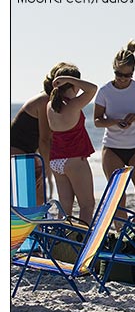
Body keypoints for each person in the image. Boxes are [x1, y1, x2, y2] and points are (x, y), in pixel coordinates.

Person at [94, 40, 135, 210]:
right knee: (118, 197)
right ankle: (120, 232)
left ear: (133, 72)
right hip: (112, 148)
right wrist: (113, 121)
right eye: (118, 74)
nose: (122, 79)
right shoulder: (105, 91)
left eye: (127, 75)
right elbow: (97, 121)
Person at [10, 62, 77, 203]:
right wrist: (48, 168)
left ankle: (36, 224)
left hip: (27, 152)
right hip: (16, 151)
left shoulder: (51, 101)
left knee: (37, 196)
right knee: (28, 197)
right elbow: (45, 140)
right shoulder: (44, 101)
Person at [46, 73, 98, 223]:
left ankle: (62, 242)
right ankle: (82, 243)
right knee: (87, 205)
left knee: (64, 208)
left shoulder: (50, 105)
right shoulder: (73, 104)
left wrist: (66, 81)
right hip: (73, 159)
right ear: (74, 84)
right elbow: (93, 89)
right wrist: (70, 79)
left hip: (56, 160)